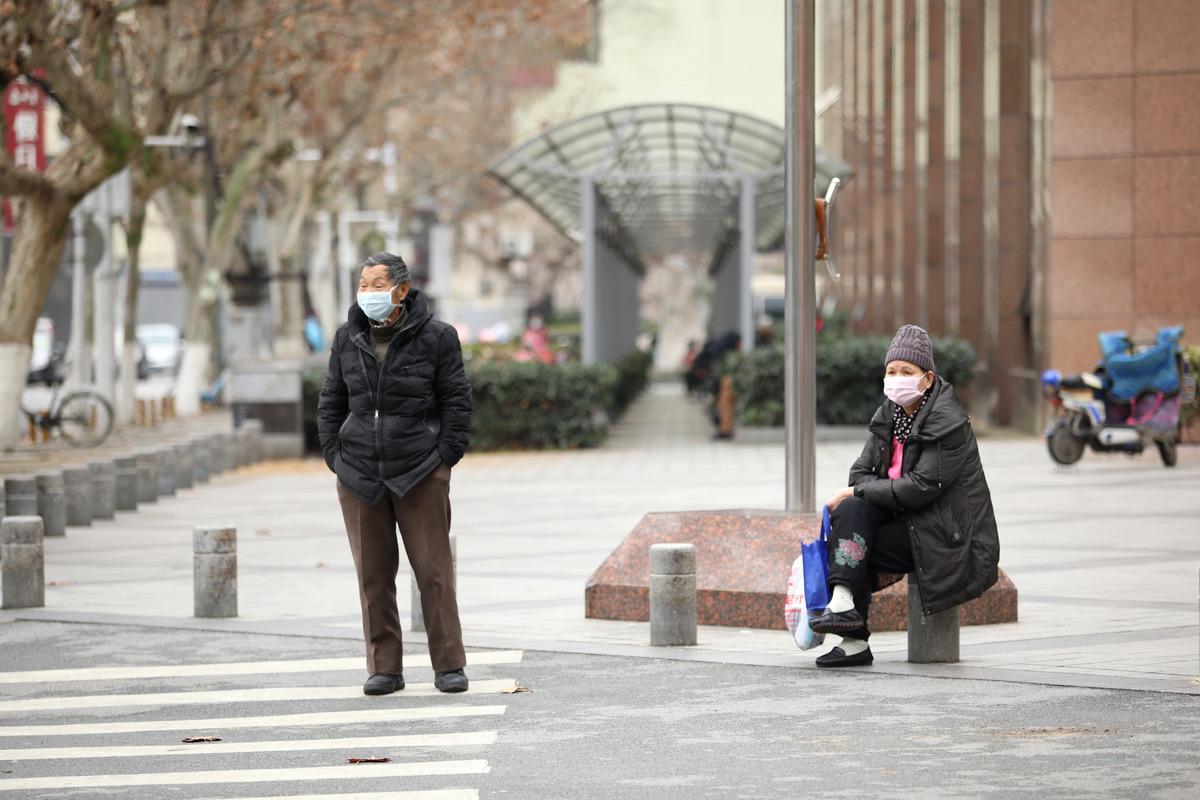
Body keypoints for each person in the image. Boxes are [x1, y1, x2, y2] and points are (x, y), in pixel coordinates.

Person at [317, 252, 472, 695]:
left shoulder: (439, 337)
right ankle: (384, 667)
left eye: (377, 284)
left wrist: (444, 457)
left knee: (433, 571)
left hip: (420, 470)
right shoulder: (347, 337)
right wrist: (336, 455)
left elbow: (457, 401)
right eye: (363, 285)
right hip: (359, 473)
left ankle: (449, 666)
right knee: (373, 575)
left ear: (402, 289)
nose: (369, 293)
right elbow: (331, 400)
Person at [808, 324, 1000, 667]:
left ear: (926, 378)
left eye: (906, 371)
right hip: (909, 520)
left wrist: (859, 490)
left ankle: (850, 628)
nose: (897, 378)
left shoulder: (948, 421)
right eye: (891, 371)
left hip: (946, 533)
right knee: (852, 511)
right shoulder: (890, 415)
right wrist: (858, 491)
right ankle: (844, 610)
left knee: (854, 521)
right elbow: (860, 472)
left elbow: (923, 487)